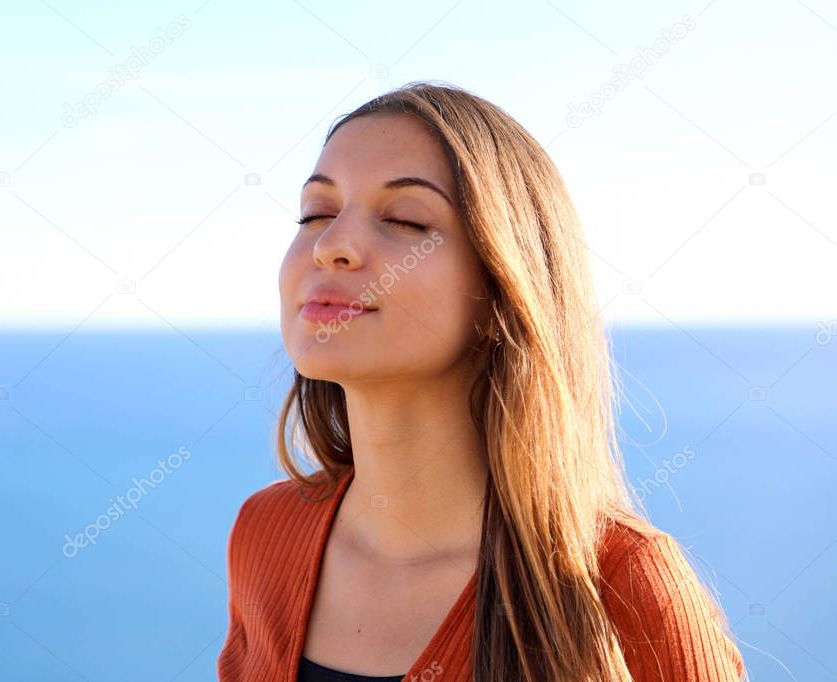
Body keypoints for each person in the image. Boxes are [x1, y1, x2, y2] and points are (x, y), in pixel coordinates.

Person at [217, 80, 746, 681]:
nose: (331, 245)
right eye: (316, 212)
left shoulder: (619, 585)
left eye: (405, 220)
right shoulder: (265, 536)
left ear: (502, 286)